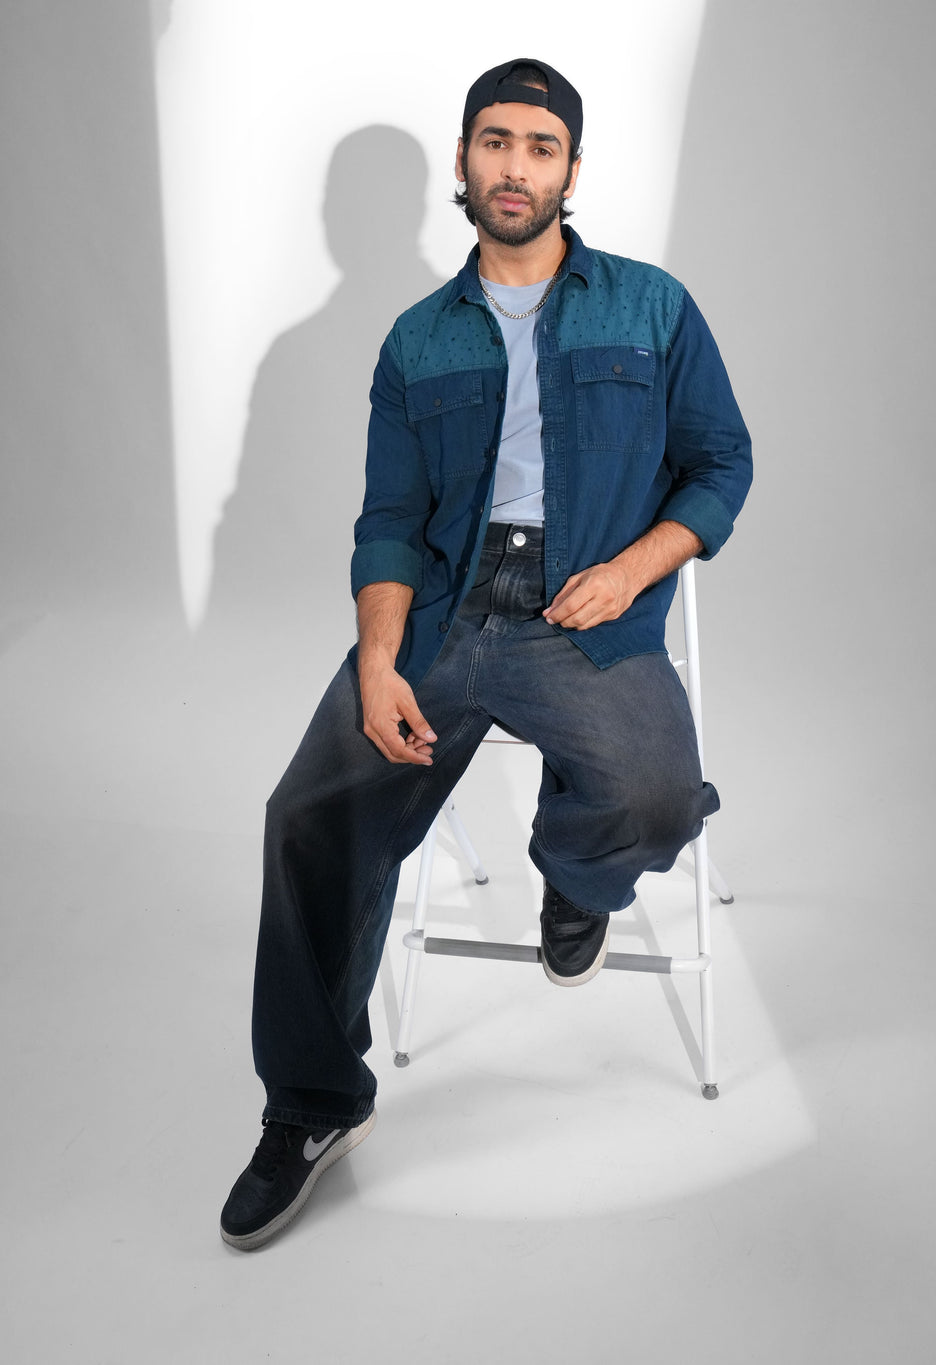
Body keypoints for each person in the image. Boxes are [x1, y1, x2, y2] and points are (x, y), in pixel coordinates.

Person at [220, 57, 752, 1251]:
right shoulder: (415, 342)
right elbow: (389, 522)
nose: (516, 166)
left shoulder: (650, 308)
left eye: (541, 146)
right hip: (446, 622)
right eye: (495, 142)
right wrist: (376, 660)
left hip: (588, 617)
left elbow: (722, 465)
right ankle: (311, 1103)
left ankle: (574, 873)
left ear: (571, 169)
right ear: (464, 162)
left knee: (656, 801)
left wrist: (629, 569)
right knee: (308, 818)